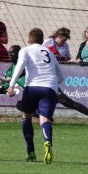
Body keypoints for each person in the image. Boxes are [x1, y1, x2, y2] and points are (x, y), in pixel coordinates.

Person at [0, 45, 88, 127]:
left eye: (13, 53)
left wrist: (9, 80)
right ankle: (45, 118)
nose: (10, 55)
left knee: (70, 103)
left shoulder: (27, 62)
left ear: (19, 54)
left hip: (48, 89)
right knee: (20, 105)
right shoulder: (10, 71)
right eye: (9, 53)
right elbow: (7, 88)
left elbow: (21, 74)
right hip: (35, 95)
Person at [7, 28, 64, 165]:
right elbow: (61, 76)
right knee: (45, 120)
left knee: (27, 116)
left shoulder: (25, 50)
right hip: (50, 88)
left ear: (29, 39)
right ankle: (47, 143)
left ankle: (31, 151)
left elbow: (20, 66)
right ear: (41, 40)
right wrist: (53, 85)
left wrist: (11, 85)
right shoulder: (50, 52)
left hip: (32, 87)